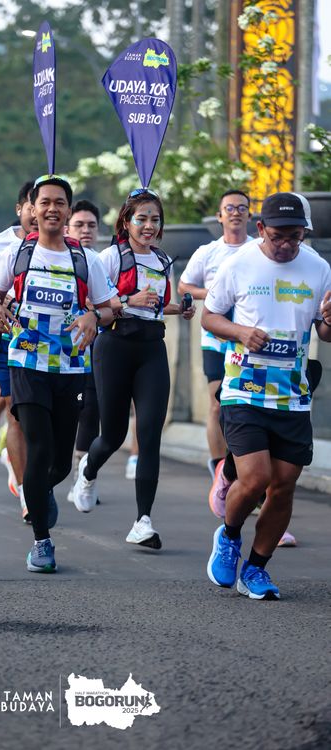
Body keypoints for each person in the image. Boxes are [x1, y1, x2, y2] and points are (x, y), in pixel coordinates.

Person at [203, 192, 331, 600]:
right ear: (261, 229)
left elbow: (324, 330)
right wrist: (240, 332)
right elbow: (209, 316)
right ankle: (229, 535)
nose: (286, 245)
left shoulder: (319, 268)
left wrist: (329, 321)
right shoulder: (238, 264)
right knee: (256, 478)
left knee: (285, 485)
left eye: (295, 236)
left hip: (292, 394)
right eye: (278, 236)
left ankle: (256, 568)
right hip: (244, 388)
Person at [0, 175, 114, 573]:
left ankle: (39, 490)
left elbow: (110, 307)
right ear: (33, 208)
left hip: (71, 366)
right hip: (27, 363)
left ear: (68, 210)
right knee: (39, 449)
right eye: (45, 202)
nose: (52, 209)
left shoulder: (86, 260)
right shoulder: (18, 254)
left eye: (60, 202)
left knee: (60, 464)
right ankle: (42, 542)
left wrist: (94, 316)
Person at [72, 188, 195, 549]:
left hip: (151, 348)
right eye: (141, 219)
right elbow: (92, 306)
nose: (149, 226)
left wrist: (181, 309)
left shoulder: (162, 259)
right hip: (114, 346)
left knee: (150, 434)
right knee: (112, 435)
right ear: (126, 222)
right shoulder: (110, 257)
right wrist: (128, 301)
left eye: (155, 219)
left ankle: (143, 521)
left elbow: (156, 305)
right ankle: (88, 470)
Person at [178, 190, 252, 480]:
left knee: (246, 404)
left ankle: (241, 466)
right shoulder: (208, 252)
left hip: (248, 340)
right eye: (229, 208)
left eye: (242, 208)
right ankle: (220, 470)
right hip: (215, 339)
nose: (235, 213)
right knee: (217, 402)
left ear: (249, 214)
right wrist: (211, 293)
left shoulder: (258, 250)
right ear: (219, 216)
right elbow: (184, 286)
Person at [0, 181, 35, 520]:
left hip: (56, 348)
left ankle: (21, 462)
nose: (40, 212)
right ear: (20, 208)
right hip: (7, 340)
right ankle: (28, 491)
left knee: (44, 420)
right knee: (16, 409)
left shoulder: (69, 250)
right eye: (33, 204)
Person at [65, 199, 103, 501]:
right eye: (79, 225)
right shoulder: (57, 258)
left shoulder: (102, 261)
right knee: (64, 416)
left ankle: (81, 478)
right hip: (58, 352)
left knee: (91, 413)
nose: (86, 230)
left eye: (91, 225)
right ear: (67, 227)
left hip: (96, 350)